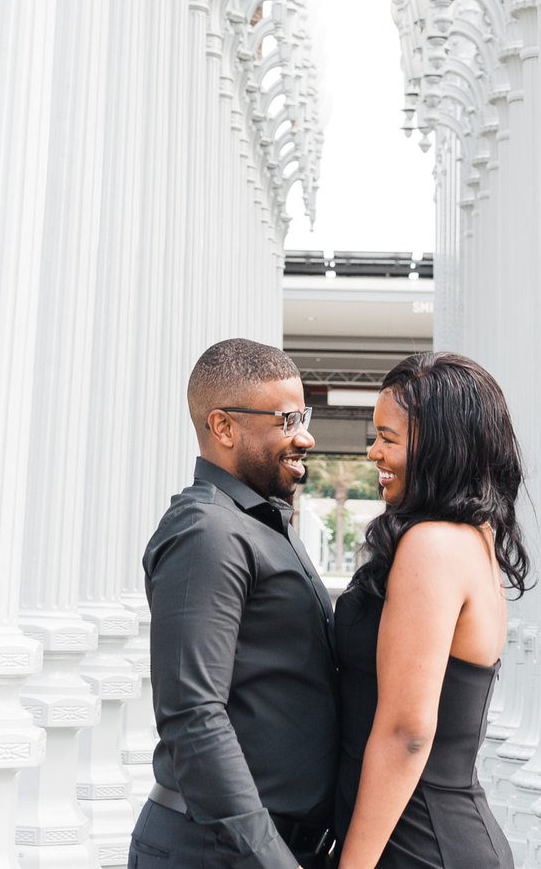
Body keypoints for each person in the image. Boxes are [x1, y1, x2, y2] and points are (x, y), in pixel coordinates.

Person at [135, 338, 339, 869]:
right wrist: (270, 859)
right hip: (213, 852)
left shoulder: (263, 523)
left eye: (304, 415)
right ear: (224, 427)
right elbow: (192, 714)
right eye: (287, 419)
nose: (307, 436)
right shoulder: (209, 531)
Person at [333, 351, 530, 869]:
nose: (373, 453)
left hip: (420, 846)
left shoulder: (434, 547)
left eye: (388, 439)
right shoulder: (472, 541)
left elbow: (408, 732)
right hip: (434, 837)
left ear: (439, 448)